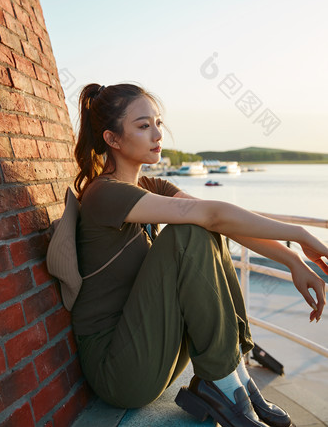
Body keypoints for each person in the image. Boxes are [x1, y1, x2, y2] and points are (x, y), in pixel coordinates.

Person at [71, 82, 327, 427]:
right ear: (112, 139)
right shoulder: (104, 194)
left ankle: (232, 379)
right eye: (143, 126)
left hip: (154, 347)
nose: (157, 134)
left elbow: (221, 221)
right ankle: (222, 384)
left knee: (203, 226)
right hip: (118, 369)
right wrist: (297, 233)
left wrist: (293, 260)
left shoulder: (152, 187)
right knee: (190, 229)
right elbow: (208, 214)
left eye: (158, 123)